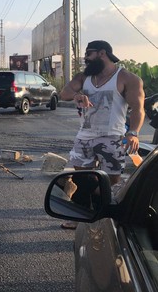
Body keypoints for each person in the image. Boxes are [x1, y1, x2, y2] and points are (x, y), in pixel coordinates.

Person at [59, 40, 144, 229]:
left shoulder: (126, 78)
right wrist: (76, 96)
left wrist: (133, 133)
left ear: (102, 53)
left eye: (89, 54)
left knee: (111, 180)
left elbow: (138, 109)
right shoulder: (84, 77)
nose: (86, 59)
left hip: (112, 137)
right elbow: (64, 93)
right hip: (85, 136)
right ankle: (81, 215)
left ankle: (105, 213)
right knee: (82, 178)